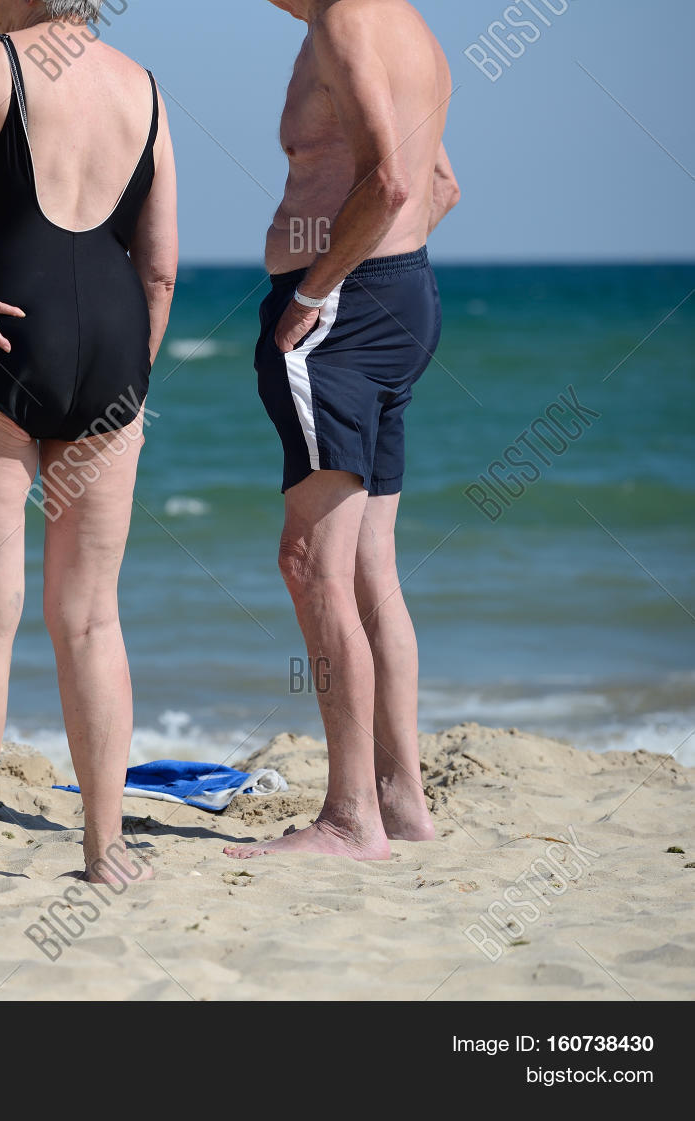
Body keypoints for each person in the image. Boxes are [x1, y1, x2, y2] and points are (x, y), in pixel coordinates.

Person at [0, 0, 178, 885]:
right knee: (91, 617)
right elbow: (160, 265)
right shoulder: (144, 88)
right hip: (113, 355)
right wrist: (128, 383)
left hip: (1, 336)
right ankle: (104, 850)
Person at [230, 0, 460, 860]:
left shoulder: (345, 21)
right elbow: (442, 188)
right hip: (402, 294)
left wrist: (317, 290)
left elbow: (393, 182)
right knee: (371, 567)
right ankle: (402, 801)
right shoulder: (412, 28)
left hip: (343, 309)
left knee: (309, 563)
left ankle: (349, 817)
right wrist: (380, 279)